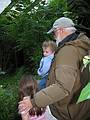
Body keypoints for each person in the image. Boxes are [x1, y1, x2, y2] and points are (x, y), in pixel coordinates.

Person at [18, 17, 90, 120]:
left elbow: (63, 87)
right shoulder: (83, 46)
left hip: (68, 111)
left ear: (60, 30)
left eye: (54, 33)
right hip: (81, 108)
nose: (54, 37)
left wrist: (33, 102)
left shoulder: (68, 51)